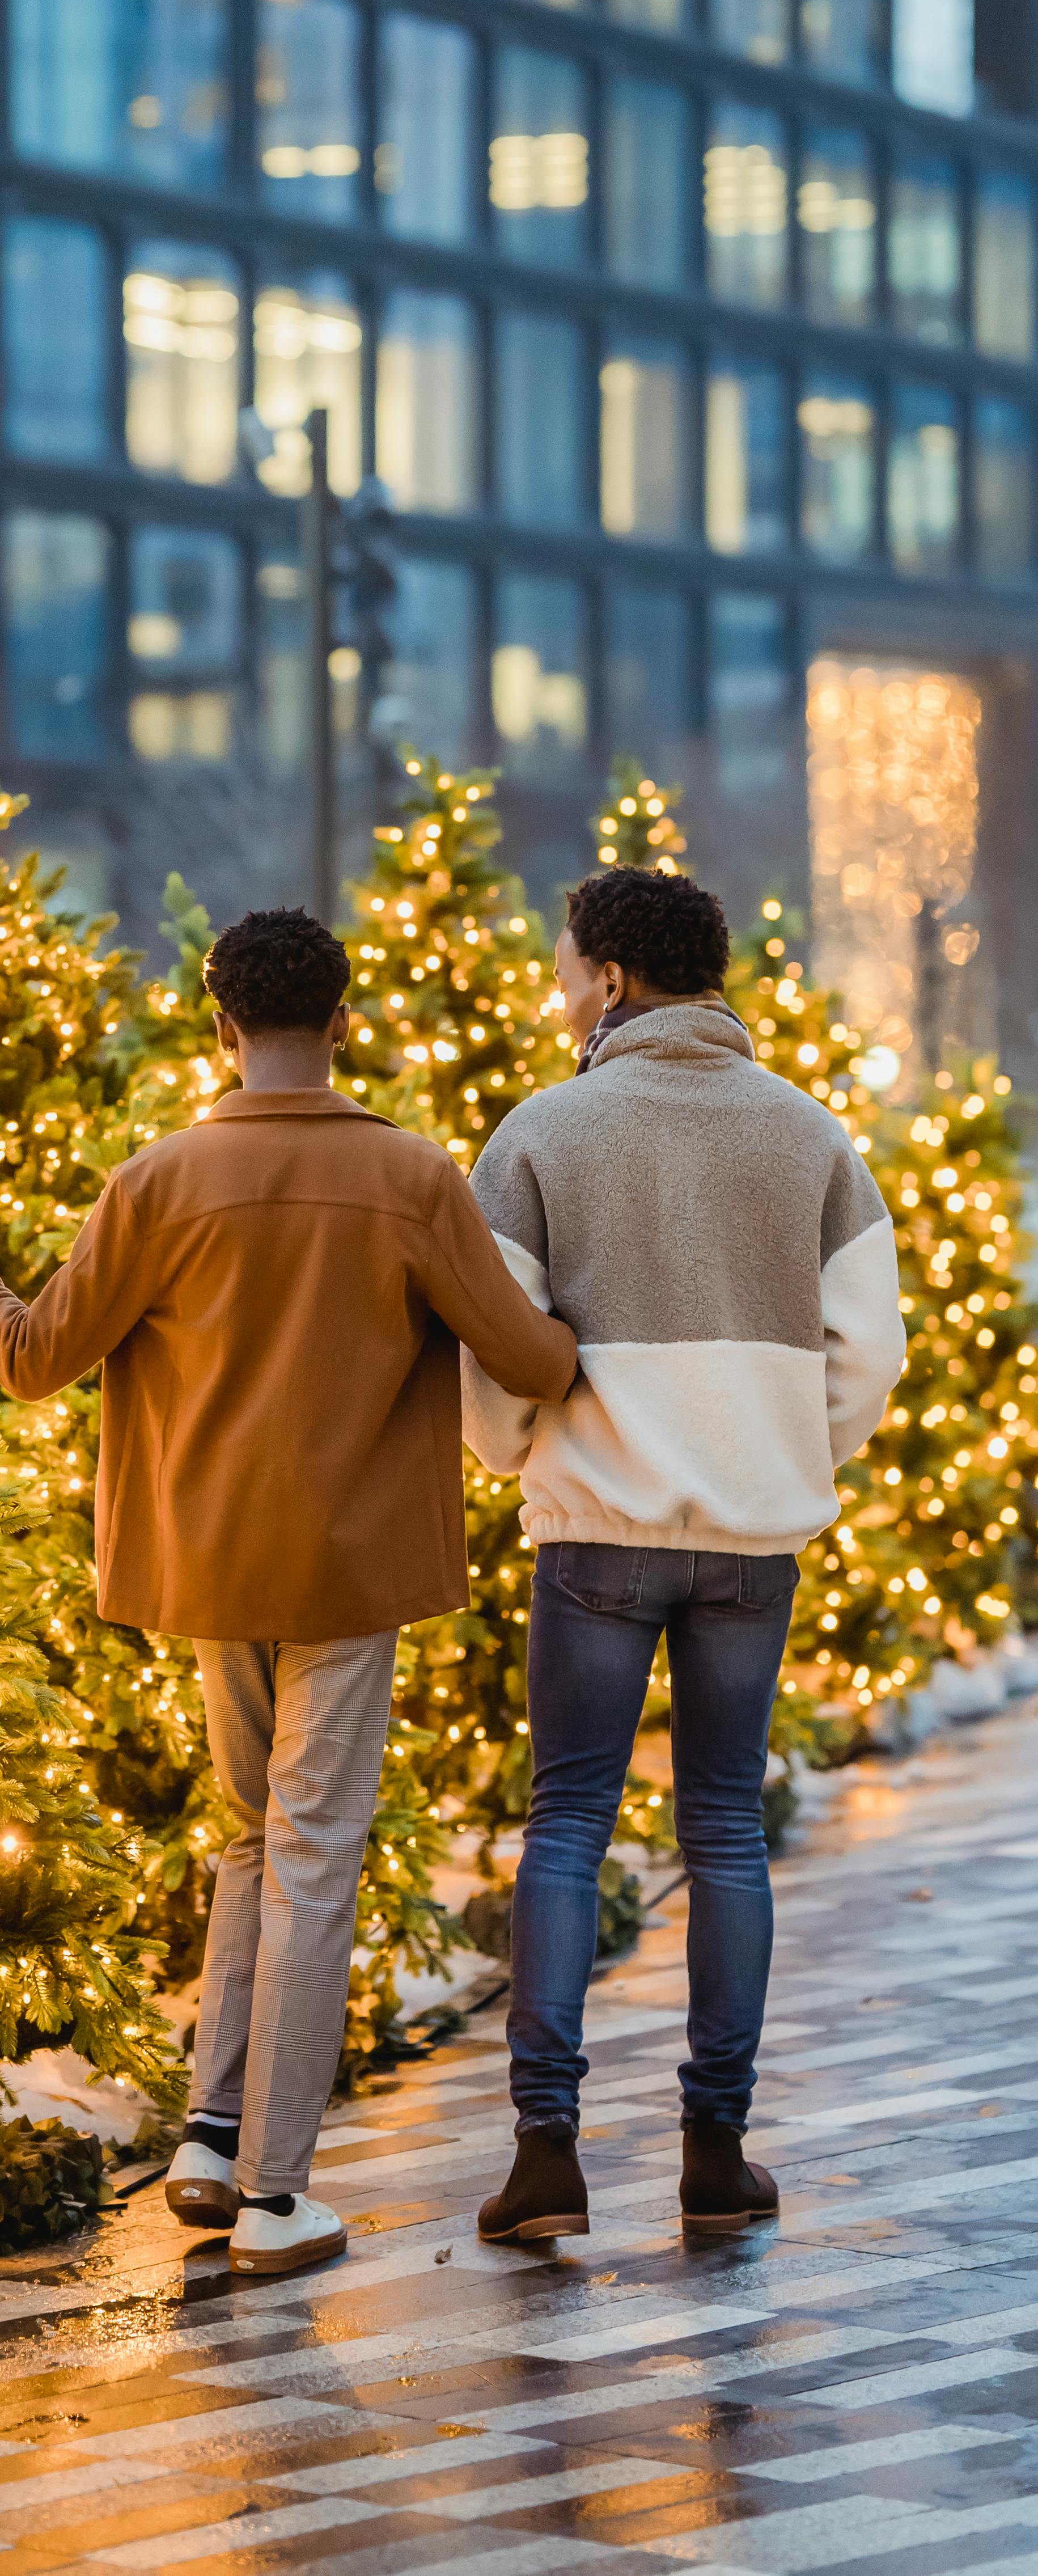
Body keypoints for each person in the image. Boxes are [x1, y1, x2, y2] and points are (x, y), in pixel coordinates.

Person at [0, 907, 577, 2281]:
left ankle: (209, 2136)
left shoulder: (157, 1182)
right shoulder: (413, 1180)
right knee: (311, 1852)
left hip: (203, 1563)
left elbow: (27, 1356)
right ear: (344, 1021)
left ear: (219, 1025)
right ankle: (276, 2198)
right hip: (350, 1568)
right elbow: (535, 1366)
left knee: (254, 1838)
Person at [463, 865, 905, 2244]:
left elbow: (493, 1340)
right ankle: (715, 2148)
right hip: (748, 1538)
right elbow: (870, 1351)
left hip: (595, 1522)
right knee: (722, 1828)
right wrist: (786, 1451)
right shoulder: (811, 1138)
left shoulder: (541, 1133)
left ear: (608, 978)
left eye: (562, 961)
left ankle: (547, 2151)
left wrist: (508, 1451)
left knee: (568, 1822)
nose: (554, 984)